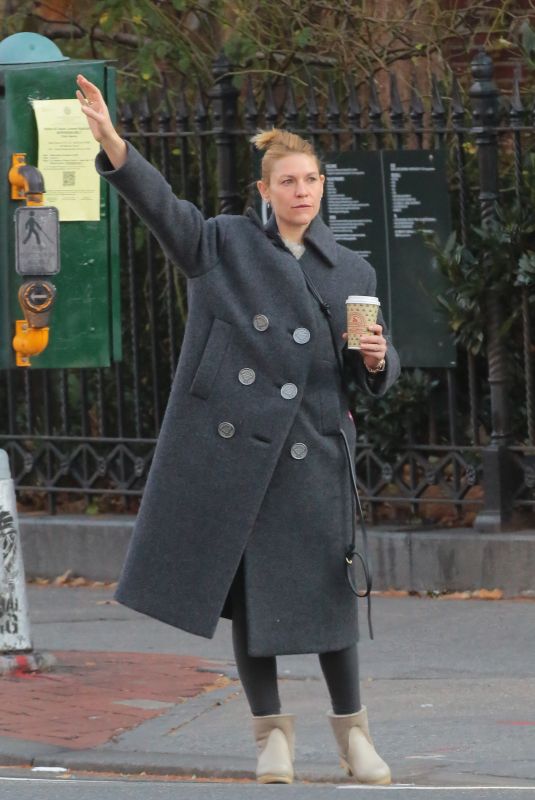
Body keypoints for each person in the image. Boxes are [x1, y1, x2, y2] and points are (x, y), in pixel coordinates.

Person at [76, 73, 401, 786]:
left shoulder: (349, 268)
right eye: (287, 181)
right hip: (245, 466)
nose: (301, 191)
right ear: (264, 191)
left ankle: (353, 738)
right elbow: (164, 210)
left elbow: (366, 372)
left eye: (310, 179)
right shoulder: (224, 246)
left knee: (331, 605)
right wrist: (112, 143)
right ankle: (271, 739)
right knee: (255, 609)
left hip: (316, 457)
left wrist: (378, 359)